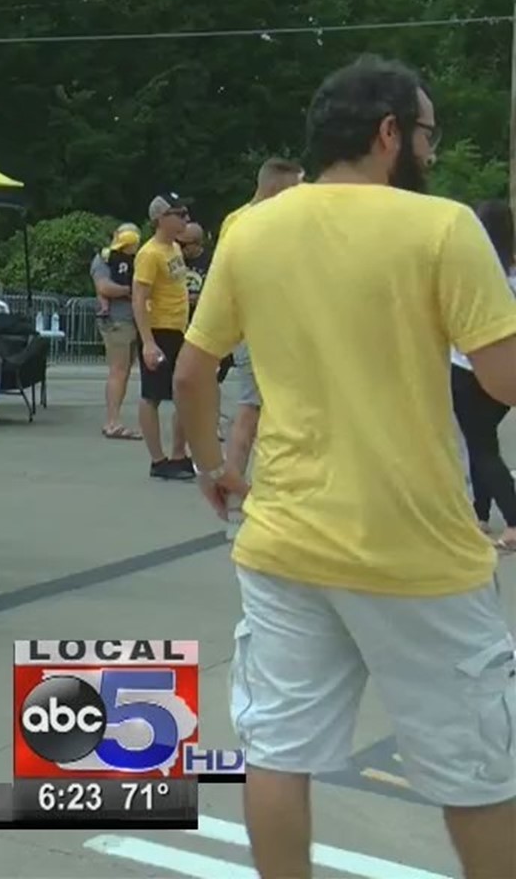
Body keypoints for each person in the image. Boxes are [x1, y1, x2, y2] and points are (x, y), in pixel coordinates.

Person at [173, 55, 516, 879]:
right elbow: (503, 376)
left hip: (286, 540)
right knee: (477, 769)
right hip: (420, 550)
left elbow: (193, 373)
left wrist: (214, 466)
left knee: (279, 753)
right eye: (428, 133)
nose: (431, 150)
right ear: (390, 132)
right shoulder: (442, 228)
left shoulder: (252, 227)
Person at [216, 158, 306, 484]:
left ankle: (259, 475)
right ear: (274, 188)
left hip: (275, 327)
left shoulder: (263, 221)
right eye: (295, 188)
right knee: (253, 406)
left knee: (271, 406)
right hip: (255, 329)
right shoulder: (246, 223)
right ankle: (234, 477)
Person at [451, 199, 516, 553]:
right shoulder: (510, 271)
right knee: (483, 440)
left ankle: (513, 519)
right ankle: (479, 512)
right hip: (506, 371)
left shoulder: (476, 271)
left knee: (481, 447)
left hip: (467, 367)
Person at [132, 193, 195, 480]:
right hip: (158, 330)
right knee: (153, 395)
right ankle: (158, 460)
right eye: (179, 214)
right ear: (161, 218)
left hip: (178, 328)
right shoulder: (150, 253)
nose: (185, 219)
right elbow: (139, 298)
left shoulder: (175, 249)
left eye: (185, 213)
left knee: (185, 391)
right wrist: (147, 341)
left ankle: (179, 454)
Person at [92, 224, 144, 440]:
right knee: (118, 370)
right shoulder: (104, 259)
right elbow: (104, 287)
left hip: (134, 320)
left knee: (124, 371)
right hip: (117, 320)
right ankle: (112, 421)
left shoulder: (138, 258)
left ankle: (114, 419)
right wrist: (131, 291)